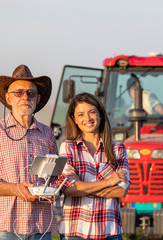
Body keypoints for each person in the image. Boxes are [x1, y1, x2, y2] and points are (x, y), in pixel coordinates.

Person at [0, 65, 58, 240]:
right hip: (5, 228)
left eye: (30, 93)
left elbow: (54, 176)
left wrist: (54, 189)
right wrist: (15, 189)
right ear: (8, 98)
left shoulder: (47, 134)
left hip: (40, 227)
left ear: (38, 98)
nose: (25, 97)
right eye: (18, 92)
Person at [56, 93, 130, 240]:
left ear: (100, 115)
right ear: (74, 119)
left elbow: (121, 191)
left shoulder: (118, 149)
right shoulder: (68, 147)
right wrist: (108, 182)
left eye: (92, 112)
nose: (88, 119)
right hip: (74, 231)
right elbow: (68, 189)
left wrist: (81, 185)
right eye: (81, 114)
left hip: (110, 231)